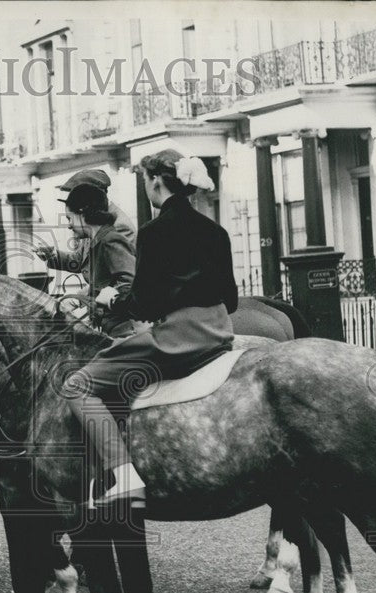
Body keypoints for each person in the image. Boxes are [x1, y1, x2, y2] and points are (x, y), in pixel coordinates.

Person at [67, 149, 238, 506]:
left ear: (156, 181)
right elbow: (232, 299)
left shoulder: (154, 232)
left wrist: (110, 300)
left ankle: (125, 475)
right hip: (221, 331)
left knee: (77, 386)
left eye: (145, 180)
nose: (146, 186)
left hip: (180, 338)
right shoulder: (215, 230)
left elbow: (143, 305)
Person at [59, 183, 141, 338]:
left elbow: (130, 284)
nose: (69, 225)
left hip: (123, 331)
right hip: (110, 328)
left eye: (69, 218)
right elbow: (103, 285)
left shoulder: (110, 240)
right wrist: (80, 300)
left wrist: (107, 301)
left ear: (82, 213)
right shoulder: (97, 241)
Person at [35, 168, 137, 272]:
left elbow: (126, 279)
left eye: (77, 194)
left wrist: (101, 289)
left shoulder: (118, 226)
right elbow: (81, 261)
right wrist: (51, 256)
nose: (72, 199)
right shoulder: (92, 221)